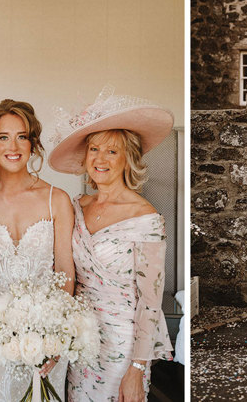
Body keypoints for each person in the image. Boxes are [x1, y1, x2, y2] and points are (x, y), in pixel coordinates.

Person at [48, 91, 174, 402]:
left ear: (128, 158)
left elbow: (150, 302)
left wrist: (136, 367)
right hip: (79, 341)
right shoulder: (75, 206)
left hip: (122, 348)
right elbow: (63, 273)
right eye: (93, 149)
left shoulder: (145, 218)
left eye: (112, 151)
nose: (99, 159)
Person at [0, 99, 75, 400]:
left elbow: (65, 271)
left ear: (33, 142)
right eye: (3, 137)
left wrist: (55, 335)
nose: (12, 146)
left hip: (46, 333)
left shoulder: (57, 199)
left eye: (22, 136)